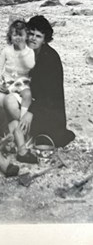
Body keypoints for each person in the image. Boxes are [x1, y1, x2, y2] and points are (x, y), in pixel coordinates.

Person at [19, 15, 75, 147]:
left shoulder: (50, 58)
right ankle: (18, 136)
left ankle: (25, 137)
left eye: (38, 36)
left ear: (45, 40)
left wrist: (30, 112)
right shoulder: (25, 53)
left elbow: (49, 94)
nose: (33, 38)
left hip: (47, 108)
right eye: (31, 34)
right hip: (30, 99)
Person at [0, 19, 35, 120]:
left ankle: (22, 118)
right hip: (8, 81)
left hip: (23, 81)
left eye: (21, 35)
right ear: (10, 37)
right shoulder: (7, 50)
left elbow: (31, 65)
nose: (18, 38)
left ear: (26, 36)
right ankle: (7, 120)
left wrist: (22, 50)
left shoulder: (29, 50)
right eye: (15, 35)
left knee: (27, 94)